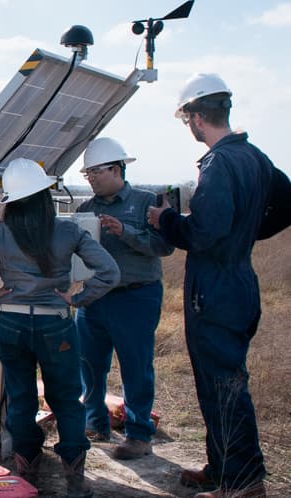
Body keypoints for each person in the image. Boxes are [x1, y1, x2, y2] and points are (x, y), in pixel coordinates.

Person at [0, 158, 119, 498]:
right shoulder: (69, 231)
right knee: (67, 399)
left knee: (21, 398)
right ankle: (74, 478)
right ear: (44, 196)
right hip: (55, 324)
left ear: (11, 200)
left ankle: (28, 474)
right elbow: (109, 272)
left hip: (10, 323)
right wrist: (79, 299)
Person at [147, 73, 273, 498]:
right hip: (240, 281)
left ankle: (241, 482)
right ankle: (224, 467)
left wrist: (164, 220)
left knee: (223, 388)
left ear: (198, 118)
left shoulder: (219, 165)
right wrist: (246, 230)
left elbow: (202, 232)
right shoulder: (254, 156)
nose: (190, 129)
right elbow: (285, 205)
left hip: (215, 291)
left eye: (188, 122)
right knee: (221, 383)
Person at [75, 137, 174, 460]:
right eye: (87, 174)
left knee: (135, 365)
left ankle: (139, 434)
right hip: (95, 299)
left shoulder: (147, 202)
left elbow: (164, 247)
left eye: (96, 173)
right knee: (89, 365)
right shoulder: (85, 210)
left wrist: (124, 232)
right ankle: (95, 422)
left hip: (136, 296)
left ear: (117, 169)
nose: (91, 179)